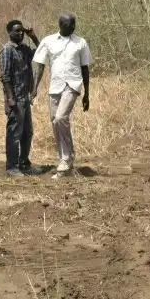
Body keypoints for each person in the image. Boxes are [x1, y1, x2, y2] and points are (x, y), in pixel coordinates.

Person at [31, 13, 92, 179]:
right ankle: (65, 159)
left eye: (74, 24)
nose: (73, 27)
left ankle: (66, 159)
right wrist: (34, 88)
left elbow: (85, 69)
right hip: (55, 86)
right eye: (69, 25)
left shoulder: (81, 42)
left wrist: (87, 94)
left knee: (60, 118)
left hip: (72, 85)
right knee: (55, 121)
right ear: (61, 25)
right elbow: (40, 66)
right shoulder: (48, 41)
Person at [0, 20, 40, 176]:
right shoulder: (7, 50)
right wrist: (10, 99)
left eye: (22, 31)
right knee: (14, 134)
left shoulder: (24, 49)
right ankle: (11, 167)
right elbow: (5, 77)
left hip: (25, 98)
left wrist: (33, 36)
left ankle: (24, 164)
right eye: (17, 31)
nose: (21, 34)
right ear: (9, 32)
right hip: (15, 99)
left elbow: (41, 51)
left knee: (27, 133)